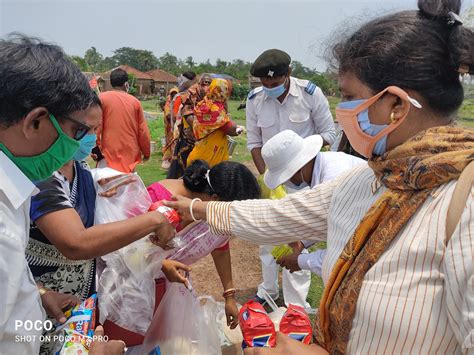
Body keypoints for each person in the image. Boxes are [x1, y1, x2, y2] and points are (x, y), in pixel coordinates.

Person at [166, 0, 474, 353]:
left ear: (395, 106)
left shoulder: (464, 203)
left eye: (348, 97)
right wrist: (197, 210)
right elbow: (283, 215)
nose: (342, 111)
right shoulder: (371, 180)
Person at [0, 34, 125, 354]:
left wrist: (37, 294)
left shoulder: (16, 188)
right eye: (77, 132)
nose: (82, 144)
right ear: (36, 122)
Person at [101, 159, 261, 349]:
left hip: (169, 286)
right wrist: (163, 264)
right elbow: (124, 246)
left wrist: (229, 296)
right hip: (129, 286)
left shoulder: (208, 210)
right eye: (228, 213)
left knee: (162, 343)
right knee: (123, 343)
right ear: (216, 200)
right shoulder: (160, 198)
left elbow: (220, 247)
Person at [246, 48, 337, 308]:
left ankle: (296, 303)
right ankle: (268, 291)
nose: (269, 88)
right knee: (268, 239)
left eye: (275, 83)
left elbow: (328, 134)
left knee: (298, 241)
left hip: (302, 179)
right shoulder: (255, 100)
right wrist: (268, 180)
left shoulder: (310, 94)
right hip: (273, 180)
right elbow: (254, 143)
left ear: (289, 73)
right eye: (265, 84)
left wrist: (303, 161)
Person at [260, 130, 365, 277]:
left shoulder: (335, 180)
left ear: (297, 169)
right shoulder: (326, 167)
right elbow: (323, 220)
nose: (285, 182)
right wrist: (301, 243)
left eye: (284, 177)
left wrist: (301, 260)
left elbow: (346, 250)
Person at [97, 68, 151, 173]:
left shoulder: (102, 99)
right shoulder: (135, 102)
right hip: (129, 159)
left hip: (107, 156)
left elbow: (95, 128)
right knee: (127, 187)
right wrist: (146, 152)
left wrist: (96, 152)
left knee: (106, 188)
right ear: (126, 84)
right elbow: (143, 131)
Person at [187, 78, 244, 167]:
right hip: (210, 159)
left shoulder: (202, 105)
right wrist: (240, 129)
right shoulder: (216, 109)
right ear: (224, 92)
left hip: (198, 154)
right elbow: (231, 130)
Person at [167, 72, 208, 178]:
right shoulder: (184, 98)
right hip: (188, 141)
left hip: (199, 143)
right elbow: (176, 116)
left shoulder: (210, 104)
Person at [161, 87, 179, 169]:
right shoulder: (169, 101)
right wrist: (171, 116)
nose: (174, 95)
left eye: (175, 93)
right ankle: (169, 159)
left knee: (175, 141)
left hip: (177, 126)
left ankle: (174, 160)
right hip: (169, 127)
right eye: (173, 94)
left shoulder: (179, 101)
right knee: (170, 141)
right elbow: (167, 113)